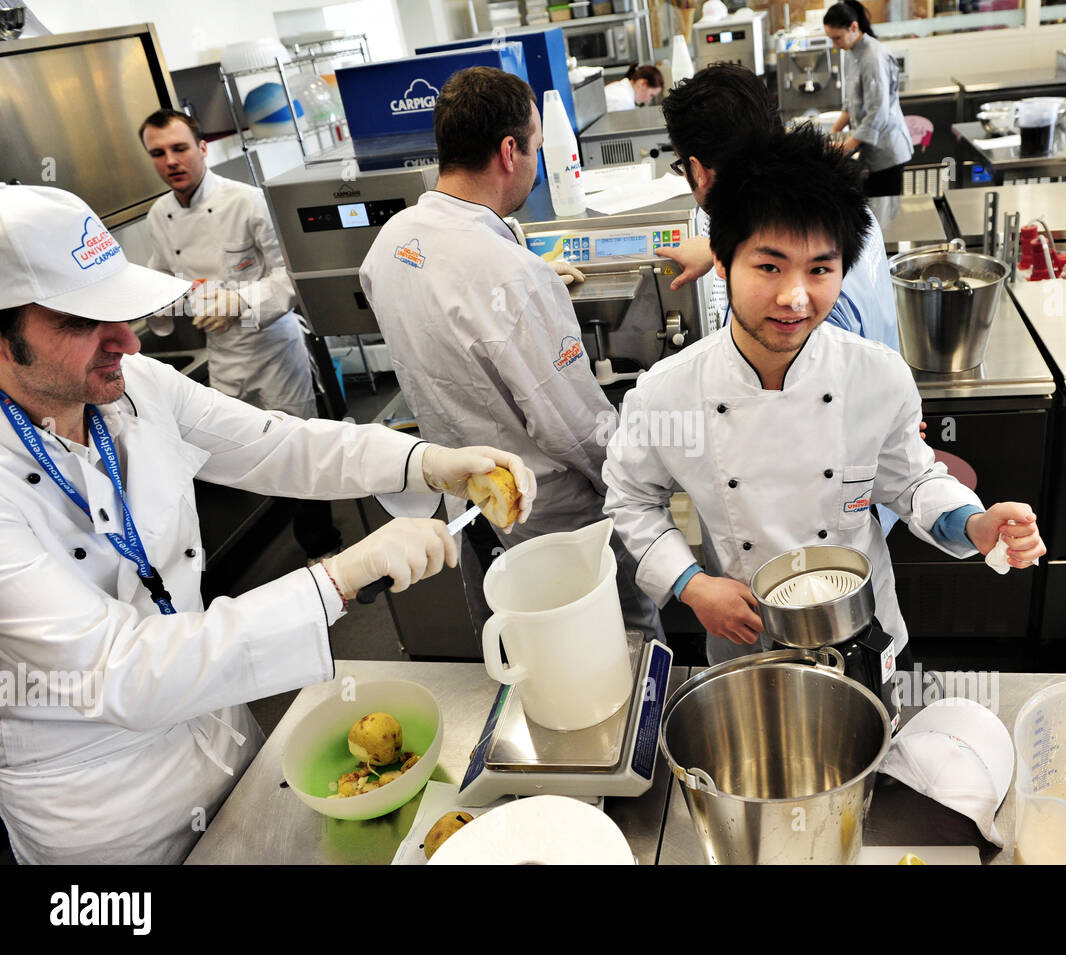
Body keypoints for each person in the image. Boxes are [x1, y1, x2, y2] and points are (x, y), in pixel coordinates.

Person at [0, 183, 537, 864]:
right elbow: (118, 670)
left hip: (224, 741)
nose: (128, 341)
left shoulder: (133, 386)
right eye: (82, 321)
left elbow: (276, 443)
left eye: (121, 312)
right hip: (108, 816)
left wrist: (423, 460)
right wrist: (337, 579)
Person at [603, 126, 1044, 665]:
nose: (795, 297)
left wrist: (973, 524)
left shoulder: (877, 376)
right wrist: (692, 585)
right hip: (749, 636)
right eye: (769, 266)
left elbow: (911, 479)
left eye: (819, 269)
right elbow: (631, 498)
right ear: (722, 260)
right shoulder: (668, 393)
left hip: (862, 628)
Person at [359, 66, 662, 642]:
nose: (536, 162)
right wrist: (638, 485)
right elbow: (573, 428)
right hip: (554, 522)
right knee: (618, 644)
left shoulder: (391, 242)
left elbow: (445, 310)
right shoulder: (514, 281)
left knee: (516, 646)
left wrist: (525, 281)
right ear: (508, 151)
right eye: (537, 148)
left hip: (468, 507)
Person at [656, 64, 905, 533]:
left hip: (834, 508)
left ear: (696, 170)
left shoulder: (786, 298)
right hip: (862, 483)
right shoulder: (830, 198)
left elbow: (807, 401)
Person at [139, 108, 341, 560]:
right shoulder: (159, 215)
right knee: (230, 450)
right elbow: (162, 276)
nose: (171, 160)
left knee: (298, 448)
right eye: (158, 153)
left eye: (179, 148)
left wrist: (240, 303)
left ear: (202, 148)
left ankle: (321, 547)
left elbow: (291, 277)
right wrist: (159, 307)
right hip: (224, 353)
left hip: (273, 349)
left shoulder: (246, 201)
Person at [823, 0, 913, 197]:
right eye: (831, 39)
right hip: (870, 150)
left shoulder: (873, 57)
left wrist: (845, 148)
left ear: (854, 27)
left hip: (888, 152)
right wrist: (833, 133)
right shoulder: (850, 53)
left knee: (884, 215)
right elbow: (850, 103)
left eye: (837, 38)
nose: (835, 45)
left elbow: (877, 113)